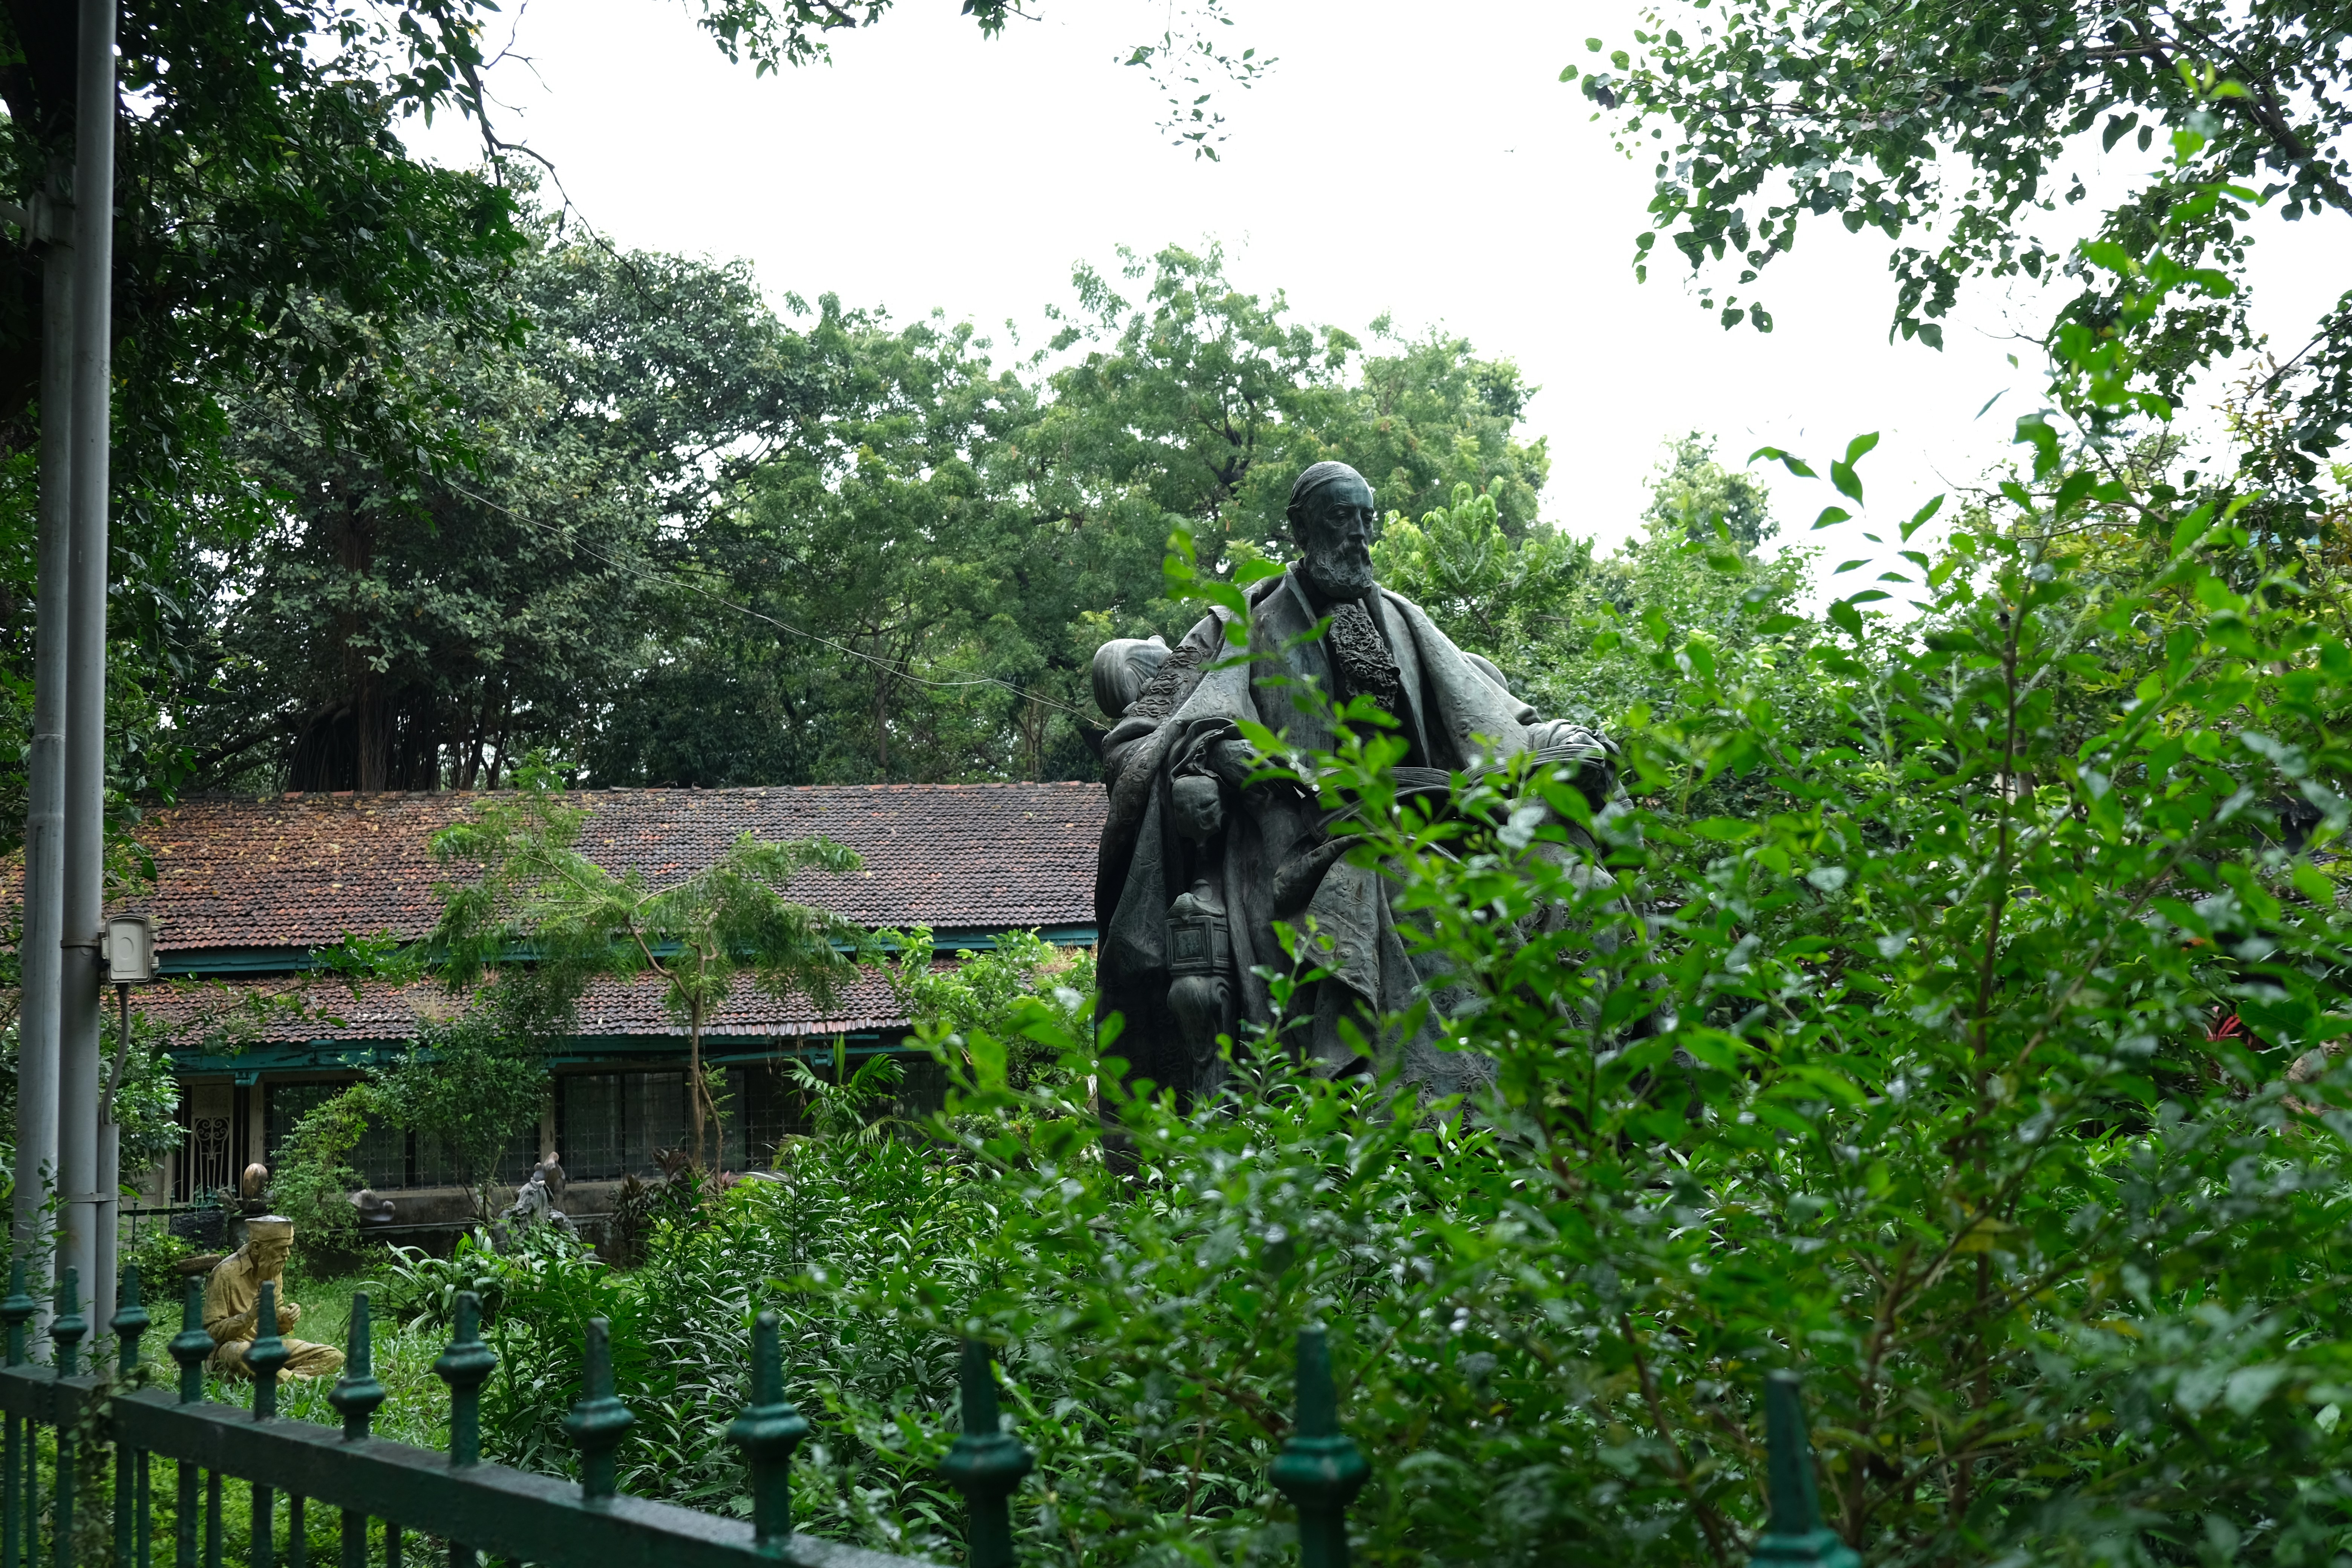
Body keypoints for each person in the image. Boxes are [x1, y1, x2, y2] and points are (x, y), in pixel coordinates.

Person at [1093, 460, 1627, 1102]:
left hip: (1445, 824)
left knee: (1582, 883)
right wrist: (1210, 758)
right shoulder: (1237, 622)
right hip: (1299, 835)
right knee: (1391, 879)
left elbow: (1502, 723)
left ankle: (1588, 1101)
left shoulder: (1406, 622)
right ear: (1301, 528)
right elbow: (1139, 738)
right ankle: (1437, 1113)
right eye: (1339, 519)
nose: (1357, 536)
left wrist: (1568, 745)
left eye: (1365, 520)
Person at [202, 1216, 345, 1380]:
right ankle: (294, 1381)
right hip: (232, 1351)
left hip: (268, 1347)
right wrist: (249, 1317)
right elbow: (210, 1333)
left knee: (333, 1356)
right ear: (256, 1247)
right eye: (280, 1248)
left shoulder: (272, 1268)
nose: (287, 1254)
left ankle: (280, 1377)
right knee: (242, 1355)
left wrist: (286, 1319)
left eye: (289, 1247)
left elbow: (275, 1324)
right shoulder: (225, 1273)